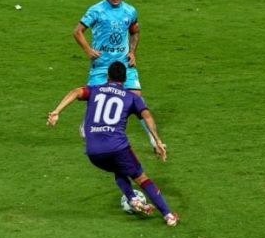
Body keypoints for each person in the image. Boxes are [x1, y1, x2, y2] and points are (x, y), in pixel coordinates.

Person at [47, 61, 179, 226]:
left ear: (107, 76)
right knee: (142, 178)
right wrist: (157, 141)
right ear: (125, 79)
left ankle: (132, 198)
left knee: (118, 169)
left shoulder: (95, 90)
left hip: (93, 152)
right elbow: (147, 117)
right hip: (118, 148)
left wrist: (57, 111)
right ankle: (168, 215)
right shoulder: (132, 97)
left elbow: (75, 92)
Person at [73, 0, 161, 150]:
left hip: (123, 65)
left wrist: (133, 52)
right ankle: (87, 124)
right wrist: (88, 50)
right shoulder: (96, 10)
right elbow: (78, 32)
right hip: (103, 65)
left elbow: (135, 31)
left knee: (137, 99)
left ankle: (154, 140)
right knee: (96, 97)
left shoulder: (130, 11)